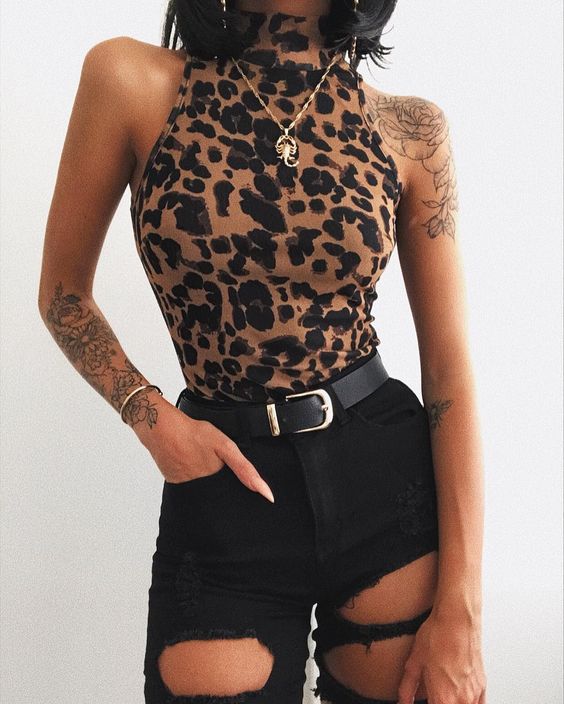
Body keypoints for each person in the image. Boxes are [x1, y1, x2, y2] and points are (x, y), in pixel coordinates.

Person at [37, 0, 487, 702]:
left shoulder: (411, 130)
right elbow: (63, 293)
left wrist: (463, 609)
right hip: (224, 490)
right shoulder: (128, 79)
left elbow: (450, 370)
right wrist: (152, 419)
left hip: (385, 485)